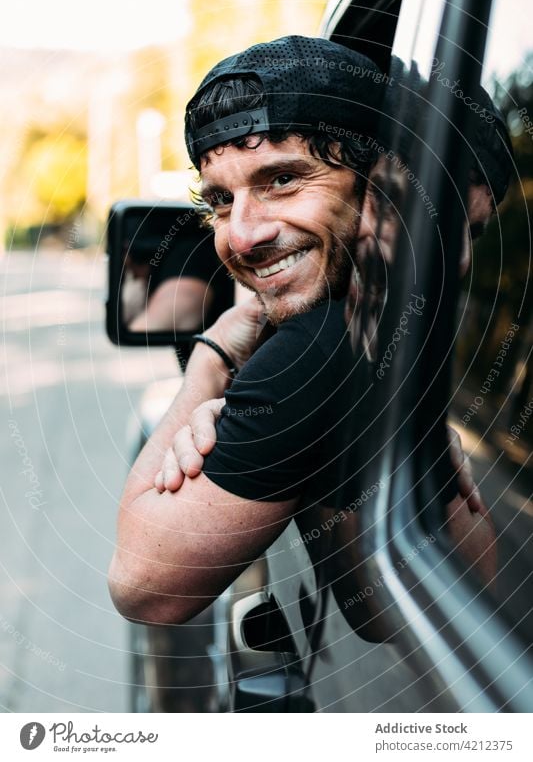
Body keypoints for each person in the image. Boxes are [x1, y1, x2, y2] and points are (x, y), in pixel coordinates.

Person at [107, 37, 497, 626]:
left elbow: (142, 586)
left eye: (283, 179)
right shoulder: (390, 335)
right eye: (220, 200)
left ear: (379, 191)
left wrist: (212, 361)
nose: (240, 236)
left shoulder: (323, 346)